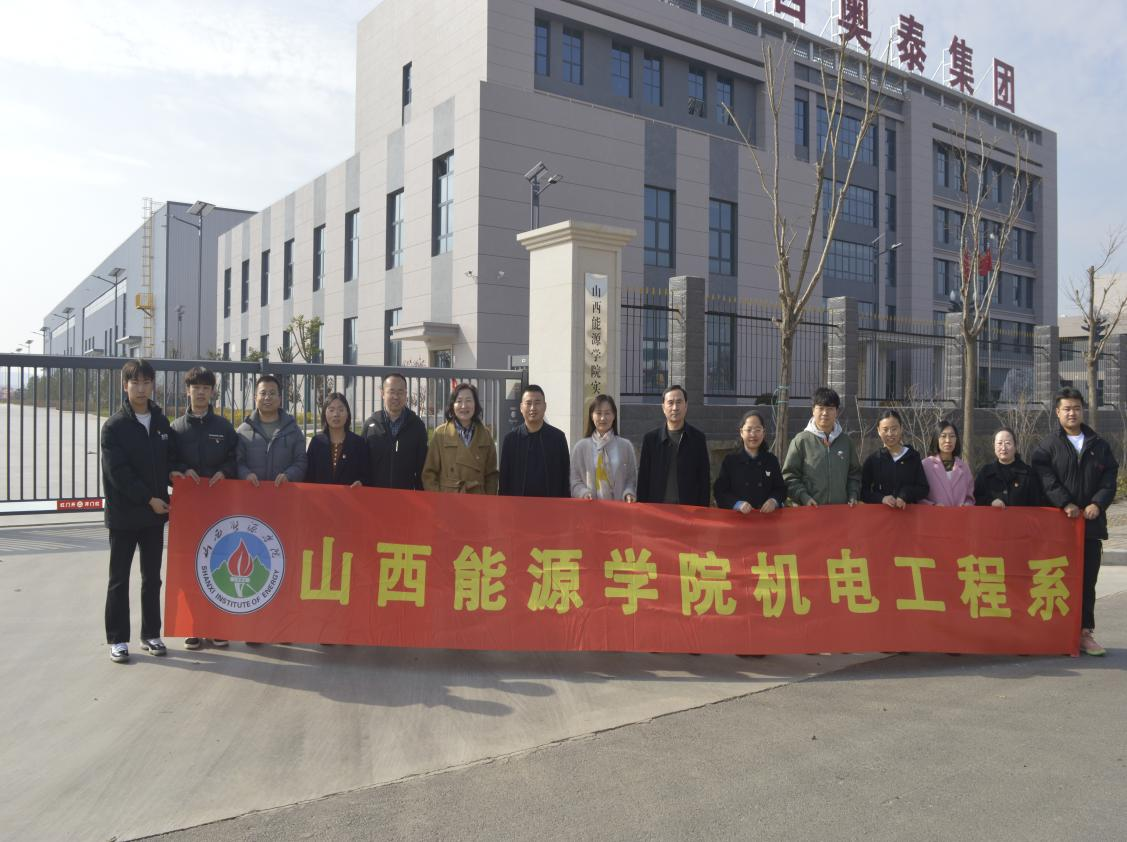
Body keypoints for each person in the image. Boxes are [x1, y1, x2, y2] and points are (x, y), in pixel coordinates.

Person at [1032, 387, 1118, 656]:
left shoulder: (1099, 445)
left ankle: (1084, 633)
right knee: (1053, 580)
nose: (1072, 413)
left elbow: (1109, 479)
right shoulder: (1047, 447)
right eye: (1067, 409)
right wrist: (1064, 503)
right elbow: (1045, 480)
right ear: (1057, 412)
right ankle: (1053, 632)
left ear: (1083, 411)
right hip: (1058, 527)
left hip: (1090, 527)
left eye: (1077, 408)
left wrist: (1097, 504)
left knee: (1086, 582)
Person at [101, 359, 175, 663]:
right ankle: (118, 639)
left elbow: (170, 461)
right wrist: (149, 499)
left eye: (146, 382)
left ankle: (151, 634)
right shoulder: (114, 426)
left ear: (152, 385)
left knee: (152, 578)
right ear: (125, 386)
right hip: (124, 516)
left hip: (153, 517)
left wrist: (179, 476)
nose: (141, 388)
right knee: (119, 579)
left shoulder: (161, 422)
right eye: (135, 383)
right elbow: (118, 473)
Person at [169, 366, 237, 651]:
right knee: (190, 568)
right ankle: (193, 627)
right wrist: (180, 470)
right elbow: (168, 462)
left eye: (205, 388)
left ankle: (217, 626)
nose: (200, 392)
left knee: (218, 567)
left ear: (212, 392)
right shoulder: (175, 428)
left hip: (218, 510)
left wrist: (225, 471)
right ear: (187, 391)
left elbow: (235, 458)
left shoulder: (223, 427)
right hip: (188, 512)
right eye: (195, 387)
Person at [782, 387, 860, 506]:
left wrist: (853, 494)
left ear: (836, 411)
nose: (825, 413)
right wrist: (804, 497)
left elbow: (854, 474)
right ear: (813, 410)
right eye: (821, 408)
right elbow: (789, 476)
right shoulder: (801, 441)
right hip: (811, 511)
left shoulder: (846, 442)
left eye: (830, 409)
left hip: (841, 511)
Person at [636, 384, 711, 506]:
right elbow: (643, 480)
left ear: (686, 406)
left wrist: (703, 510)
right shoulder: (651, 440)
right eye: (670, 403)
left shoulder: (698, 439)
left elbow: (704, 480)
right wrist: (643, 508)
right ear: (663, 407)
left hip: (689, 509)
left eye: (679, 402)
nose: (675, 407)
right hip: (658, 509)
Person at [422, 383, 499, 494]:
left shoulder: (485, 435)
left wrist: (487, 500)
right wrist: (438, 499)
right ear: (452, 405)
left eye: (468, 400)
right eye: (459, 401)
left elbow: (491, 475)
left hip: (477, 499)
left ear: (475, 404)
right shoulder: (440, 434)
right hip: (448, 499)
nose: (464, 406)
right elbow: (429, 474)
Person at [236, 374, 307, 487]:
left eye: (272, 393)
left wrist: (289, 475)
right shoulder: (243, 431)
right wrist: (245, 474)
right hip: (251, 493)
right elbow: (236, 461)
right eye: (263, 393)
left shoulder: (293, 430)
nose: (267, 397)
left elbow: (301, 462)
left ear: (280, 398)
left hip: (284, 493)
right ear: (255, 398)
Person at [499, 385, 571, 497]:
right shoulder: (511, 440)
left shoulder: (558, 438)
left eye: (537, 403)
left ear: (545, 406)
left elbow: (565, 478)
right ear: (521, 407)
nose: (533, 408)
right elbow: (504, 480)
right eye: (528, 403)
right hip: (518, 505)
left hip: (551, 505)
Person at [362, 373, 428, 490]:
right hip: (375, 494)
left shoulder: (417, 426)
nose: (396, 397)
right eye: (391, 392)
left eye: (400, 392)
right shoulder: (371, 425)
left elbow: (422, 466)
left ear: (406, 394)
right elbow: (362, 464)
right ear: (383, 394)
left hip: (407, 495)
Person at [713, 410, 786, 514]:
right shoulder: (730, 461)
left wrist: (773, 501)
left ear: (763, 433)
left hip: (766, 518)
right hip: (738, 519)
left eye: (758, 430)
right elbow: (720, 492)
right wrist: (737, 504)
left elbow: (781, 489)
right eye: (749, 430)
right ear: (741, 432)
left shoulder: (771, 460)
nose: (753, 434)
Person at [570, 394, 637, 502]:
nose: (602, 418)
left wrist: (628, 493)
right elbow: (575, 481)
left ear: (614, 415)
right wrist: (583, 493)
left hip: (619, 508)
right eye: (598, 413)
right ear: (592, 416)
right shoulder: (580, 448)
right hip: (589, 508)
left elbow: (631, 480)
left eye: (607, 413)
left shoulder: (625, 446)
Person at [859, 409, 929, 509]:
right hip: (881, 516)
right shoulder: (873, 460)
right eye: (885, 429)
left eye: (894, 429)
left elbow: (923, 489)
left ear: (901, 428)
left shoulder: (913, 457)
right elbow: (863, 492)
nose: (890, 433)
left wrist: (905, 494)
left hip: (909, 515)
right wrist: (882, 498)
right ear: (878, 431)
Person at [306, 392, 371, 486]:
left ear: (347, 414)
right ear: (324, 414)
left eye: (341, 410)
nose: (336, 414)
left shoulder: (358, 443)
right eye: (331, 410)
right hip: (321, 495)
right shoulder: (316, 442)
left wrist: (361, 482)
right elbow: (308, 476)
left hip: (350, 495)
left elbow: (367, 476)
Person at [974, 427, 1042, 508]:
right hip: (992, 516)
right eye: (999, 443)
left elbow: (1036, 504)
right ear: (994, 446)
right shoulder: (985, 472)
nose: (1003, 448)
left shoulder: (1028, 474)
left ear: (1015, 446)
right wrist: (990, 502)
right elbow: (976, 498)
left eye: (1008, 443)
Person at [921, 420, 974, 507]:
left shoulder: (964, 468)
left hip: (960, 515)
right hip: (934, 514)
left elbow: (970, 497)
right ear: (936, 439)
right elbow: (919, 497)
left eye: (952, 436)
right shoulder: (925, 465)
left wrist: (967, 504)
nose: (948, 440)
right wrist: (933, 506)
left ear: (956, 439)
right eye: (943, 436)